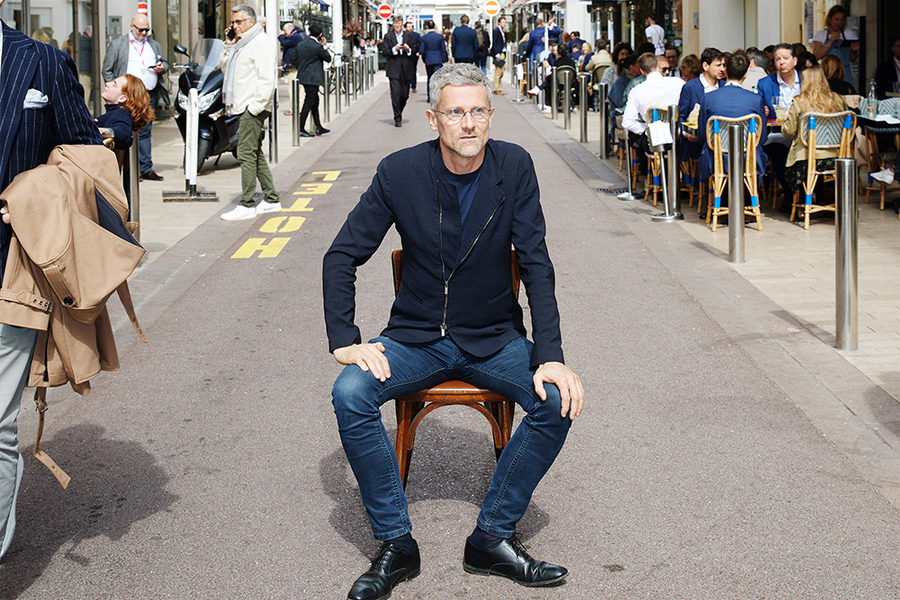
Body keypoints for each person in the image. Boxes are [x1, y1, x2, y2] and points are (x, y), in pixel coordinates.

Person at [323, 62, 583, 600]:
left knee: (558, 398)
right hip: (416, 338)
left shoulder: (515, 166)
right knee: (349, 392)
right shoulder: (400, 172)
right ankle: (396, 544)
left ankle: (491, 537)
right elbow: (342, 254)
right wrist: (346, 340)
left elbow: (536, 262)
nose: (468, 123)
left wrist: (551, 354)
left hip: (495, 338)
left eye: (478, 111)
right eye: (455, 112)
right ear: (433, 118)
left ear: (491, 115)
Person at [0, 1, 104, 560]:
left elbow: (82, 153)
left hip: (12, 271)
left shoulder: (40, 62)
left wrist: (34, 197)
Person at [218, 4, 281, 221]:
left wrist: (255, 107)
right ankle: (272, 198)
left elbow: (266, 79)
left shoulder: (260, 42)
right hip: (242, 105)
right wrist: (228, 44)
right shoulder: (241, 43)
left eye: (238, 22)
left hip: (251, 107)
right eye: (233, 22)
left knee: (245, 153)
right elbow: (224, 68)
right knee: (254, 152)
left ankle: (246, 203)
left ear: (250, 22)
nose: (234, 26)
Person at [101, 13, 168, 182]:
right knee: (123, 131)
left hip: (147, 94)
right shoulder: (118, 45)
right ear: (132, 27)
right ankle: (125, 170)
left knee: (145, 131)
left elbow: (165, 63)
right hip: (125, 96)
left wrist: (162, 67)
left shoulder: (153, 45)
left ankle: (145, 168)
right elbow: (107, 69)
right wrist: (113, 89)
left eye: (147, 30)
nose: (144, 33)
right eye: (141, 30)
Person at [696, 53, 768, 185]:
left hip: (717, 160)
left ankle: (717, 200)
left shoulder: (709, 98)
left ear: (726, 71)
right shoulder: (756, 99)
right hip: (748, 160)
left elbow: (702, 136)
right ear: (745, 74)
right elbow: (761, 138)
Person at [781, 65, 847, 194]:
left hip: (806, 157)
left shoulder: (799, 102)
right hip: (835, 156)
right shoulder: (839, 99)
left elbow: (788, 131)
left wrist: (786, 120)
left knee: (784, 159)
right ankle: (822, 198)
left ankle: (800, 202)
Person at [757, 43, 802, 205]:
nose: (782, 62)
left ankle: (804, 194)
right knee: (778, 154)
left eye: (786, 58)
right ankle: (791, 194)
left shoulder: (805, 82)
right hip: (777, 133)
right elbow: (760, 109)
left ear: (794, 60)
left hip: (803, 134)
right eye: (777, 59)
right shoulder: (765, 83)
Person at [622, 53, 685, 153]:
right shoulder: (678, 83)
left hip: (653, 141)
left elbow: (627, 123)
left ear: (642, 71)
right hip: (678, 137)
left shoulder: (636, 91)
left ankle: (648, 168)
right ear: (659, 65)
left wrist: (647, 128)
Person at [679, 47, 724, 160]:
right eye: (718, 65)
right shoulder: (690, 87)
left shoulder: (724, 86)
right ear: (705, 66)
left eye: (724, 65)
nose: (722, 69)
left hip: (721, 140)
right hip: (697, 143)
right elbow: (680, 115)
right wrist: (686, 134)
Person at [291, 23, 331, 138]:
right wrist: (324, 46)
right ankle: (301, 128)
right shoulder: (317, 46)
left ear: (309, 32)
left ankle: (318, 126)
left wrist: (302, 66)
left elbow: (293, 58)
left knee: (314, 101)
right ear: (320, 35)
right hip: (313, 78)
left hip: (304, 76)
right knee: (309, 102)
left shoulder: (301, 44)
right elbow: (328, 58)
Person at [95, 74, 154, 150]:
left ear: (122, 98)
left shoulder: (122, 114)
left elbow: (123, 133)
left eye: (114, 85)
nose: (107, 84)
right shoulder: (116, 113)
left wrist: (95, 130)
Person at [381, 16, 418, 127]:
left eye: (399, 23)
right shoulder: (388, 36)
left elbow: (415, 49)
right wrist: (394, 49)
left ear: (402, 24)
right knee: (395, 93)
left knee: (404, 95)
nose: (397, 25)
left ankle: (399, 110)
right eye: (395, 23)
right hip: (394, 68)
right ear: (393, 24)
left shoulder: (408, 35)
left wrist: (408, 49)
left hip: (406, 68)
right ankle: (397, 117)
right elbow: (384, 51)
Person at [810, 5, 858, 87]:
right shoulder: (821, 35)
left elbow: (853, 59)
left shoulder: (849, 34)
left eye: (841, 20)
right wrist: (830, 42)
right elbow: (815, 57)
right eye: (836, 19)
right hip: (827, 73)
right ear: (830, 19)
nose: (838, 23)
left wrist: (853, 51)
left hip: (844, 73)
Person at [419, 20, 447, 102]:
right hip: (438, 59)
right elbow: (443, 49)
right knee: (438, 78)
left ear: (427, 27)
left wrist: (424, 59)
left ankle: (429, 96)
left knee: (429, 78)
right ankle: (438, 96)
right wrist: (444, 59)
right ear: (434, 26)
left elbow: (422, 50)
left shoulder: (424, 37)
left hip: (429, 60)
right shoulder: (439, 36)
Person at [490, 16, 507, 95]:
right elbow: (495, 43)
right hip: (499, 53)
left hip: (502, 53)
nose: (504, 24)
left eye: (505, 22)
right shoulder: (496, 31)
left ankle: (499, 88)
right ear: (499, 23)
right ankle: (496, 88)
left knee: (501, 72)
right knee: (498, 72)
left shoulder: (502, 31)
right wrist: (497, 54)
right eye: (503, 22)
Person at [404, 22, 422, 92]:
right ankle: (406, 85)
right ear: (405, 28)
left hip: (414, 55)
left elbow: (420, 43)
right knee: (405, 71)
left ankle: (413, 86)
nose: (410, 28)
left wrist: (419, 52)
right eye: (408, 27)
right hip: (405, 56)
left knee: (413, 70)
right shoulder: (402, 35)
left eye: (411, 27)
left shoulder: (416, 35)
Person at [78, 25, 93, 107]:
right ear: (88, 32)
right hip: (85, 70)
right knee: (85, 90)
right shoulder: (84, 41)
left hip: (87, 69)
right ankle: (85, 108)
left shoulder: (85, 40)